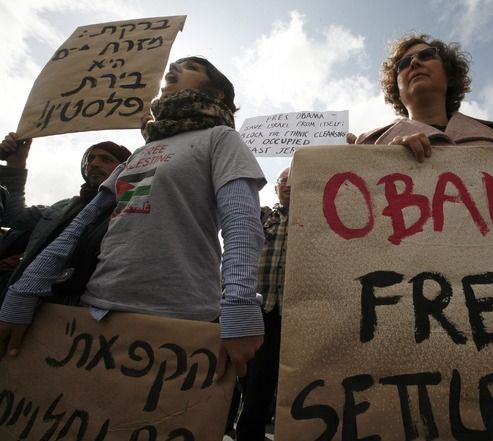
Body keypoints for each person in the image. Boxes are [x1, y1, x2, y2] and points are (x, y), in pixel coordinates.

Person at [0, 56, 266, 381]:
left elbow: (241, 225)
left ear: (218, 92)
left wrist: (239, 306)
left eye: (192, 68)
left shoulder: (221, 138)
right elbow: (77, 228)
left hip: (179, 320)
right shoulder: (143, 151)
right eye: (175, 65)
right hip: (94, 314)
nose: (176, 69)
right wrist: (25, 289)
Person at [0, 135, 131, 298]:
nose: (94, 164)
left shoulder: (132, 211)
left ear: (126, 169)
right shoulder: (61, 209)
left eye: (106, 159)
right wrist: (16, 164)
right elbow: (14, 217)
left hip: (87, 308)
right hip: (26, 303)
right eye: (91, 158)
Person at [354, 33, 493, 159]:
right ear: (395, 88)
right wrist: (390, 158)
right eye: (404, 63)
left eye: (426, 55)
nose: (414, 62)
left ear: (448, 73)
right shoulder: (367, 144)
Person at [233, 167, 290, 440]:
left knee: (288, 380)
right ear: (277, 188)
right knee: (255, 381)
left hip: (295, 314)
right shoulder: (263, 216)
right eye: (284, 181)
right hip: (261, 310)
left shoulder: (318, 220)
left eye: (297, 181)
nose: (289, 185)